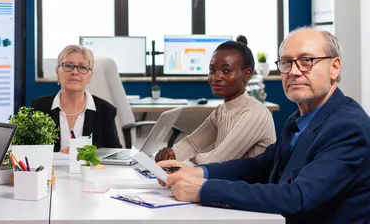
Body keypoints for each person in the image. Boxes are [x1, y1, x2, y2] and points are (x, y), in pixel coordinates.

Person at [158, 28, 370, 223]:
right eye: (286, 62)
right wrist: (199, 172)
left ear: (334, 67)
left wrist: (203, 189)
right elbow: (259, 167)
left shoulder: (347, 127)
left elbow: (298, 197)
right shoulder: (299, 119)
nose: (294, 71)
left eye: (306, 61)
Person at [155, 36, 276, 164]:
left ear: (246, 74)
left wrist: (184, 159)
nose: (216, 77)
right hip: (225, 181)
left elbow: (217, 160)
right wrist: (173, 153)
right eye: (212, 70)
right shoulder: (221, 111)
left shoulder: (255, 113)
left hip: (246, 184)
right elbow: (193, 143)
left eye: (226, 70)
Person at [31, 45, 121, 153]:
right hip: (51, 170)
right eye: (68, 66)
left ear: (90, 76)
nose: (75, 72)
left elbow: (115, 153)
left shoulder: (105, 110)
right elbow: (28, 152)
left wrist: (85, 154)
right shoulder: (39, 107)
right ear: (57, 72)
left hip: (90, 170)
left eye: (82, 67)